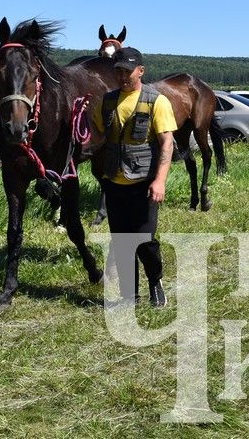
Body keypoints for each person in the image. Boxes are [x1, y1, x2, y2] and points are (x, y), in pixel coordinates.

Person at [94, 46, 177, 307]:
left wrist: (160, 180)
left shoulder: (157, 101)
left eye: (127, 71)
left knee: (144, 240)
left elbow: (167, 143)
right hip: (114, 182)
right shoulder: (107, 101)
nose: (122, 76)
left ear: (140, 71)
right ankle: (130, 295)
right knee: (121, 241)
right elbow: (98, 134)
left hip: (144, 183)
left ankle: (156, 282)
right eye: (118, 71)